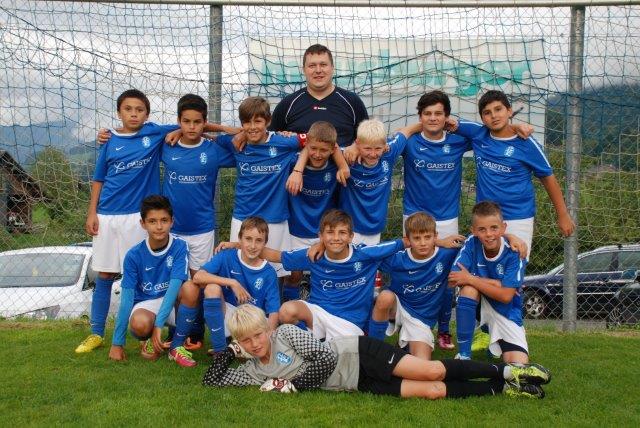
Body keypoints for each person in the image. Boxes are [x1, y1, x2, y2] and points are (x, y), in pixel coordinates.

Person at [202, 304, 550, 399]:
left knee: (431, 371)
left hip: (357, 353)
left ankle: (510, 371)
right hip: (355, 382)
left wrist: (292, 385)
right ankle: (504, 389)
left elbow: (325, 358)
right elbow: (212, 382)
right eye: (246, 341)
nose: (255, 343)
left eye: (257, 335)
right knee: (432, 391)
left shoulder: (286, 334)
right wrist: (229, 352)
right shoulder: (252, 369)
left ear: (267, 329)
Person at [76, 89, 179, 353]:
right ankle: (96, 333)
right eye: (128, 109)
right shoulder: (109, 140)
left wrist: (230, 131)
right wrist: (92, 212)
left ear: (147, 114)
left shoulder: (153, 133)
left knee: (142, 274)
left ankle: (145, 334)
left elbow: (193, 125)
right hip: (107, 215)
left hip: (137, 217)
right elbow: (99, 179)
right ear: (119, 112)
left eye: (139, 110)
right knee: (105, 274)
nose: (134, 114)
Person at [454, 90, 575, 255]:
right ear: (482, 118)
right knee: (485, 267)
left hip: (518, 217)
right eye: (487, 113)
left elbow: (548, 178)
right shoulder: (478, 133)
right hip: (486, 218)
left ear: (509, 111)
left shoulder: (527, 144)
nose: (494, 116)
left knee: (515, 266)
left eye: (498, 109)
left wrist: (562, 214)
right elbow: (446, 122)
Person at [259, 209, 408, 341]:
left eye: (342, 233)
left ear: (351, 236)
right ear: (321, 236)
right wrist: (246, 247)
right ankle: (310, 342)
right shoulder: (314, 255)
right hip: (318, 313)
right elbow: (277, 256)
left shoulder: (365, 255)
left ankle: (371, 348)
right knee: (286, 311)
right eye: (330, 232)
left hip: (349, 322)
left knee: (339, 357)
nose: (336, 238)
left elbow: (401, 243)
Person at [215, 96, 308, 278]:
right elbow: (203, 131)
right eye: (247, 122)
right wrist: (235, 131)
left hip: (274, 217)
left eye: (257, 121)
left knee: (275, 272)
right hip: (243, 217)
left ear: (268, 121)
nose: (252, 127)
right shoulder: (235, 142)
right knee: (240, 270)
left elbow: (316, 139)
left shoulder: (283, 142)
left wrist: (297, 170)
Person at [107, 195, 199, 367]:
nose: (159, 226)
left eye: (164, 220)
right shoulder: (133, 255)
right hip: (147, 303)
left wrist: (159, 324)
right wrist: (117, 343)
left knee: (191, 287)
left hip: (172, 301)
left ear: (172, 221)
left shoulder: (180, 246)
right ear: (143, 224)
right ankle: (148, 338)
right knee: (139, 324)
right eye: (152, 221)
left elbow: (174, 287)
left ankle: (176, 346)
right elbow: (126, 300)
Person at [369, 212, 459, 360]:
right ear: (408, 239)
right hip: (398, 308)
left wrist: (441, 243)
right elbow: (370, 253)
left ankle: (405, 346)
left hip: (421, 319)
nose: (423, 243)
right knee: (385, 297)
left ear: (435, 236)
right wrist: (400, 243)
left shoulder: (446, 254)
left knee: (421, 364)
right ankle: (373, 352)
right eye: (417, 238)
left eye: (427, 237)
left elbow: (474, 244)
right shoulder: (398, 258)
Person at [448, 201, 529, 363]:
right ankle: (464, 356)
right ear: (473, 231)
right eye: (482, 229)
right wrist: (498, 283)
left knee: (518, 364)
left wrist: (471, 278)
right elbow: (454, 278)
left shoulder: (515, 252)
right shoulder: (471, 243)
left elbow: (506, 296)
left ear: (503, 228)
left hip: (505, 311)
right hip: (478, 303)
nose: (489, 234)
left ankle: (493, 338)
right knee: (469, 289)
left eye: (494, 228)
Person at [191, 217, 280, 354]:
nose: (253, 246)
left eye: (258, 240)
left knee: (256, 347)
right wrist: (233, 282)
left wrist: (269, 337)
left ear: (265, 243)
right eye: (248, 239)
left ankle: (239, 346)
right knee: (212, 288)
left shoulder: (269, 272)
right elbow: (198, 277)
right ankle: (220, 351)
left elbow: (273, 311)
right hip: (229, 317)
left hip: (253, 321)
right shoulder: (226, 256)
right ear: (239, 239)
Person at [282, 121, 341, 301]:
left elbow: (356, 148)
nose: (317, 154)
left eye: (323, 150)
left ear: (333, 150)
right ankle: (290, 307)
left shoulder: (337, 163)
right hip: (296, 229)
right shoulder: (292, 162)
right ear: (306, 144)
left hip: (324, 231)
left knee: (328, 273)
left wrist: (345, 165)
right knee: (293, 275)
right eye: (313, 148)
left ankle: (322, 307)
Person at [269, 44, 368, 147]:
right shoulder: (288, 104)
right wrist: (281, 137)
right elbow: (271, 141)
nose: (318, 70)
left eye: (323, 65)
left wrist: (354, 149)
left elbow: (369, 140)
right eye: (312, 66)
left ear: (332, 68)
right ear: (304, 70)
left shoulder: (352, 101)